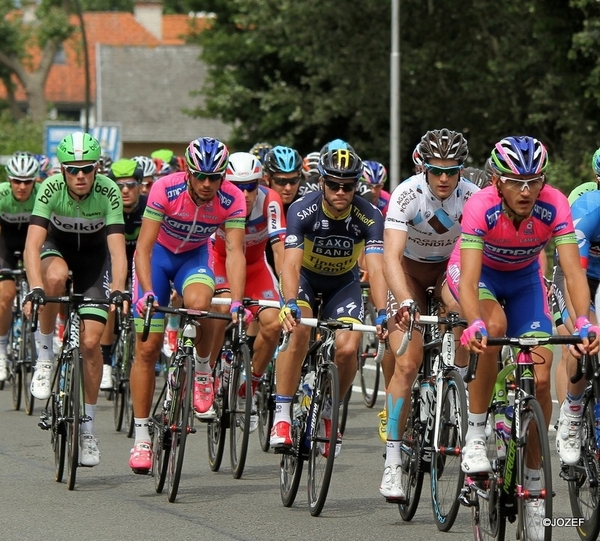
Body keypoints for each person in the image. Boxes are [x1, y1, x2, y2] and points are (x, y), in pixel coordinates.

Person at [451, 136, 599, 540]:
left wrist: (584, 322)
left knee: (542, 359)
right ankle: (477, 433)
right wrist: (473, 323)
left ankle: (534, 489)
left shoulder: (555, 204)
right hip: (479, 277)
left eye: (533, 181)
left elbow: (572, 272)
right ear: (497, 181)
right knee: (493, 329)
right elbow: (466, 278)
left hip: (524, 280)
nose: (526, 190)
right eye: (516, 181)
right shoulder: (481, 205)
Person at [128, 136, 247, 473]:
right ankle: (141, 439)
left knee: (202, 303)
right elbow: (145, 248)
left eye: (215, 177)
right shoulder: (165, 189)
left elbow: (235, 252)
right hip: (159, 259)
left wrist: (237, 300)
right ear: (189, 172)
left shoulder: (232, 197)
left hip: (193, 258)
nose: (208, 184)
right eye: (201, 176)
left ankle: (204, 371)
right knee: (148, 349)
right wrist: (148, 292)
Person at [271, 147, 388, 457]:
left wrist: (384, 311)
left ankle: (328, 412)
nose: (340, 191)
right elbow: (291, 265)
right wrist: (290, 302)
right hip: (307, 281)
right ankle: (281, 417)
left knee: (349, 347)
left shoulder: (369, 215)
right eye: (334, 184)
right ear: (321, 182)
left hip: (343, 284)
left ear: (356, 186)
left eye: (348, 186)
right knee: (298, 332)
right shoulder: (302, 209)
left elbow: (376, 269)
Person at [380, 128, 477, 500]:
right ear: (424, 167)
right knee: (407, 364)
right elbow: (390, 257)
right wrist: (404, 301)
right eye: (436, 170)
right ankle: (391, 462)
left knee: (464, 314)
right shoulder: (407, 195)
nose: (443, 178)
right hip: (408, 275)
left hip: (447, 272)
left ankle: (460, 384)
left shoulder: (471, 197)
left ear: (461, 171)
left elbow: (473, 257)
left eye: (451, 171)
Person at [24, 132, 128, 467]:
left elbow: (116, 249)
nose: (80, 175)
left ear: (96, 168)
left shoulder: (109, 191)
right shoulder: (50, 189)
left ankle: (86, 430)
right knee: (52, 278)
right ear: (63, 170)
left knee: (91, 345)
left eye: (86, 168)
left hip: (96, 262)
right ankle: (43, 355)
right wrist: (35, 287)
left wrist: (120, 288)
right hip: (58, 250)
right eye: (72, 169)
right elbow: (31, 245)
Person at [209, 152, 286, 425]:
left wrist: (289, 294)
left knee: (274, 324)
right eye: (237, 186)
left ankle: (249, 386)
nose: (245, 192)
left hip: (255, 268)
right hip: (219, 264)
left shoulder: (271, 201)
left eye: (251, 185)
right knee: (219, 316)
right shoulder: (216, 199)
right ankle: (208, 374)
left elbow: (279, 250)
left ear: (261, 182)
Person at [98, 158, 147, 390]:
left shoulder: (149, 206)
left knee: (143, 303)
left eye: (130, 184)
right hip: (112, 257)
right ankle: (106, 363)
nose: (125, 190)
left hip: (139, 259)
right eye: (119, 185)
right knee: (110, 302)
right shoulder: (104, 205)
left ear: (140, 185)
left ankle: (139, 358)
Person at [0, 152, 40, 381]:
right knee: (5, 296)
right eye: (16, 180)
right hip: (5, 244)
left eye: (27, 181)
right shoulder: (2, 194)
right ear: (9, 180)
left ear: (35, 180)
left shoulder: (41, 194)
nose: (22, 186)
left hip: (32, 244)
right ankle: (1, 352)